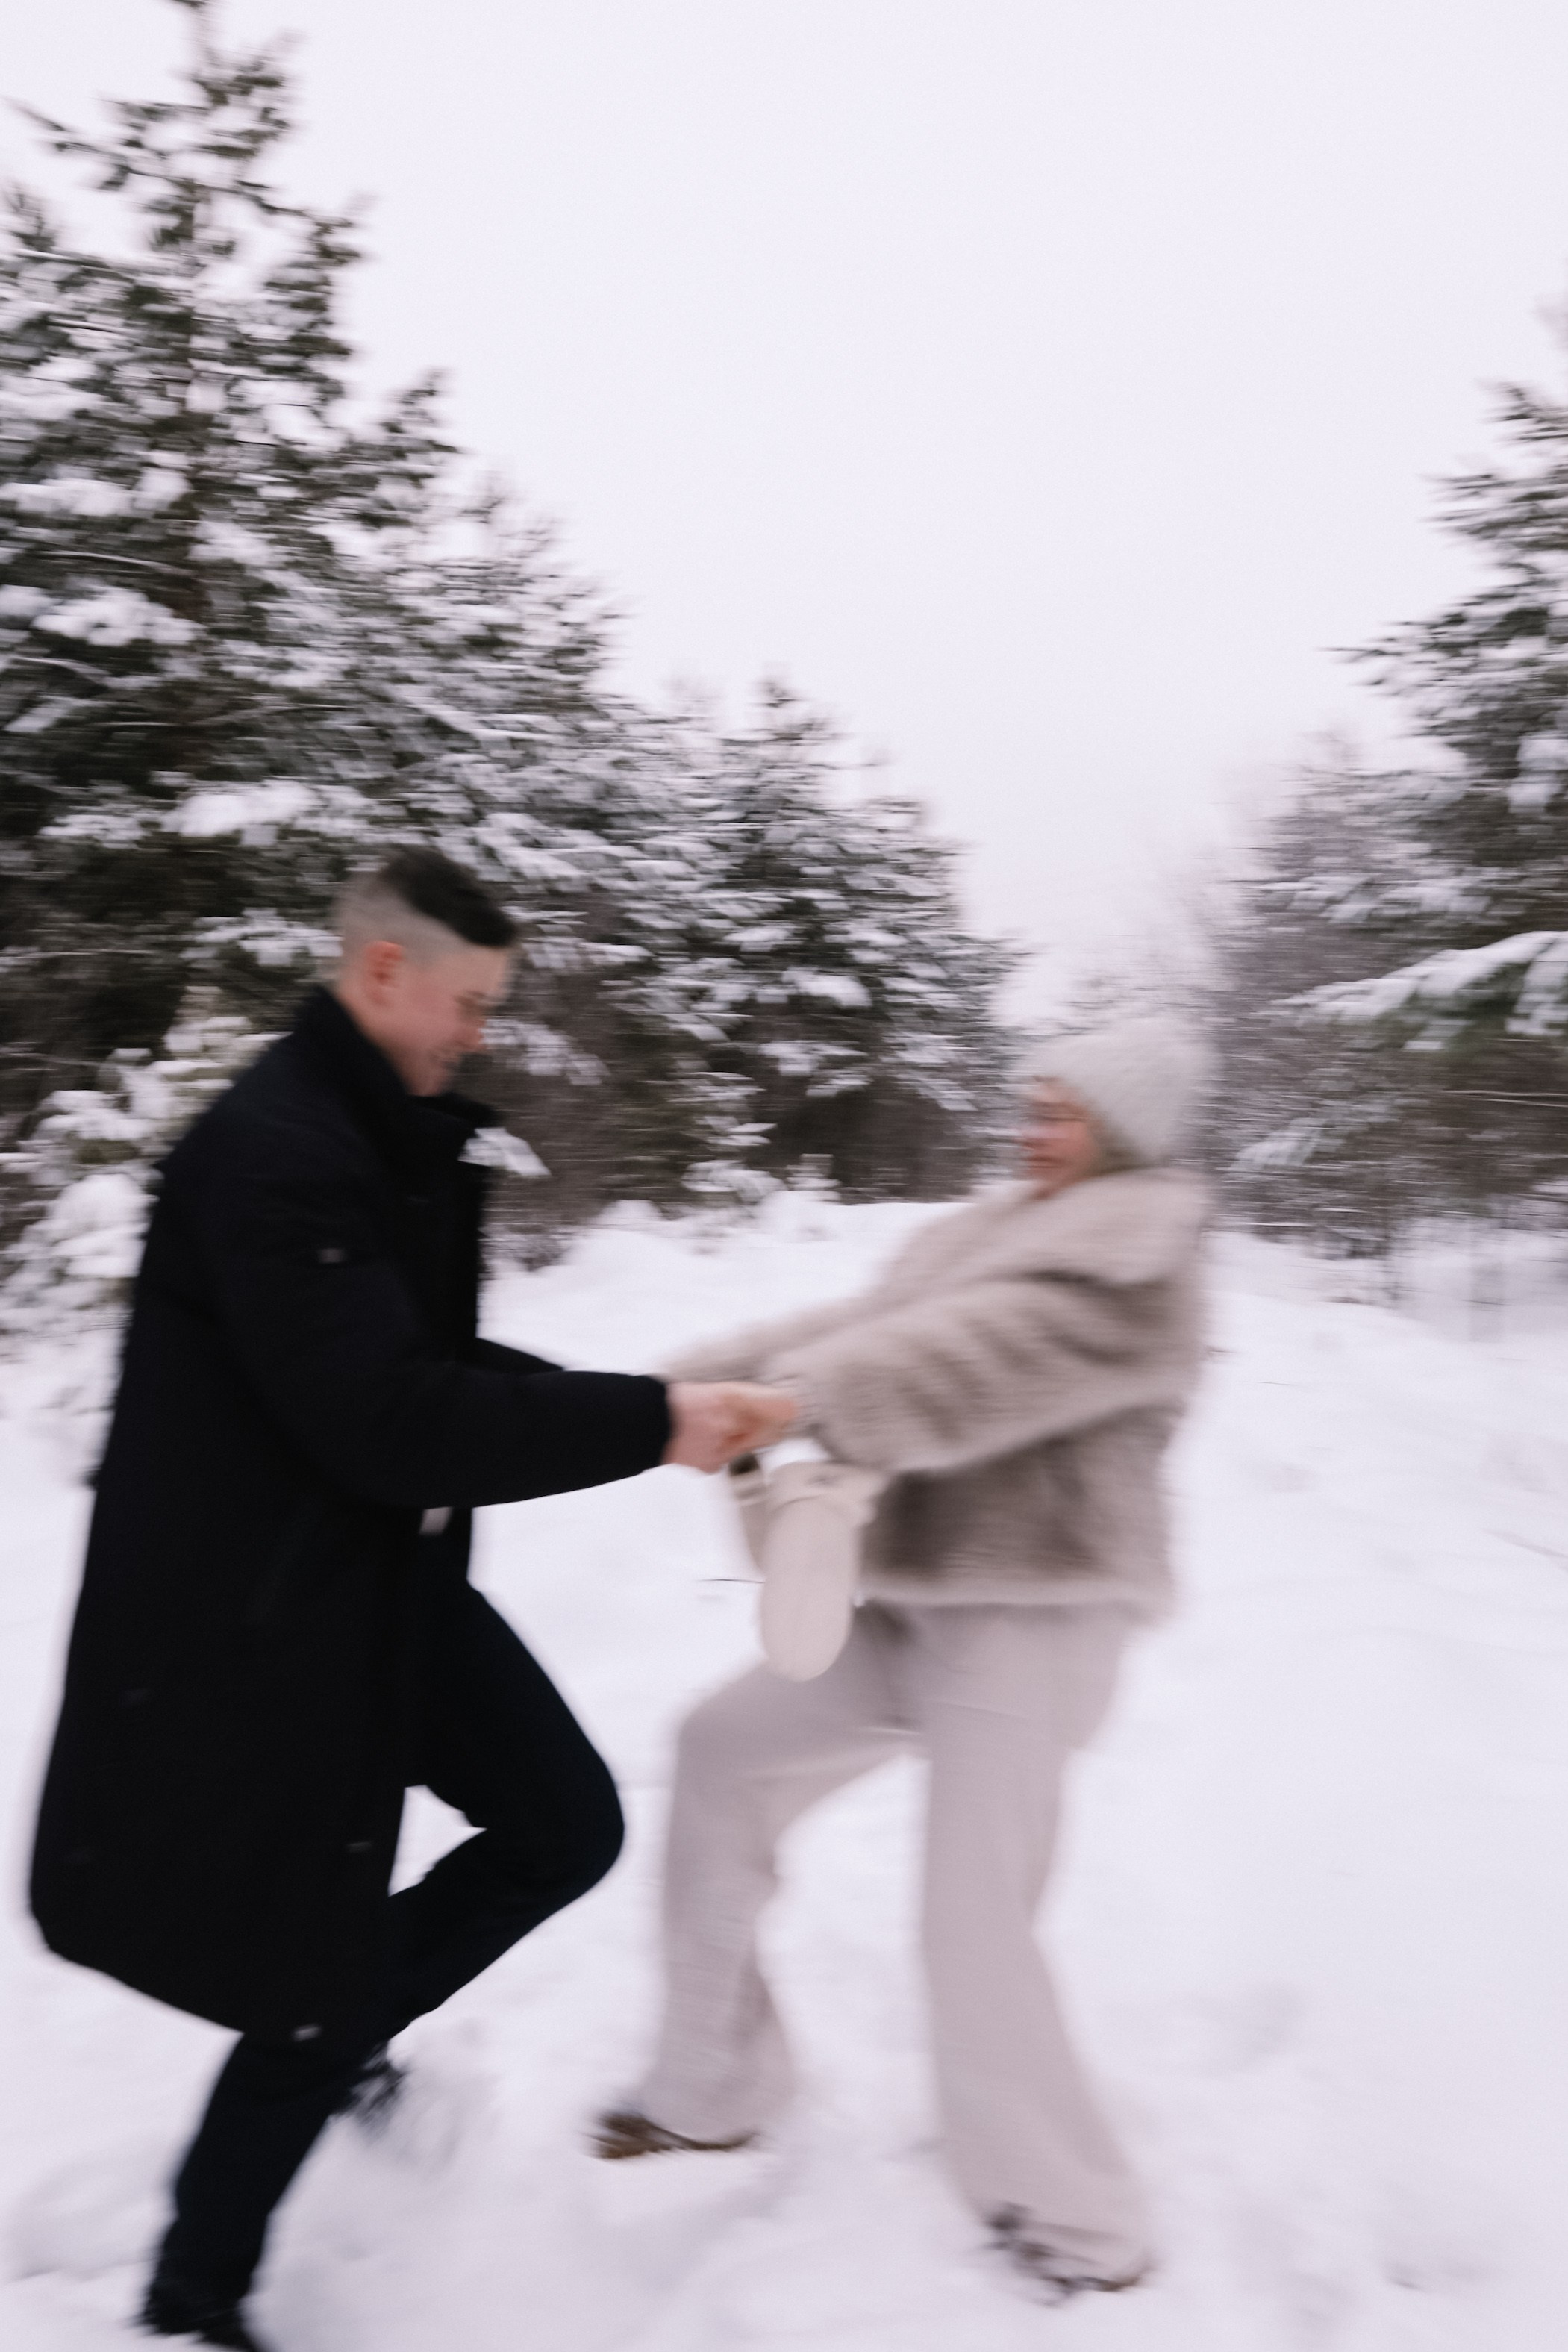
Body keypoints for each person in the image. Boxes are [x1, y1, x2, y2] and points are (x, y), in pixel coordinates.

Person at [28, 848, 795, 2352]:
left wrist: (647, 1407)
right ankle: (194, 2291)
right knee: (310, 1972)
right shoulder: (278, 1152)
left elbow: (410, 1371)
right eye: (471, 1002)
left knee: (562, 1824)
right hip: (261, 1618)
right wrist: (651, 1426)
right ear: (386, 971)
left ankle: (343, 2029)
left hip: (369, 1581)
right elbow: (386, 1418)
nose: (480, 1033)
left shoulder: (366, 1130)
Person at [595, 1017, 1209, 2305]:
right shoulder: (993, 1229)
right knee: (719, 1754)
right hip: (911, 1602)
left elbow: (964, 1365)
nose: (1030, 1129)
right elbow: (866, 1321)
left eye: (1061, 1114)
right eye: (1032, 1103)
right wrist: (673, 1392)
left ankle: (1080, 2220)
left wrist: (795, 1404)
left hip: (1031, 1624)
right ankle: (714, 2084)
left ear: (1123, 1136)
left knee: (971, 1920)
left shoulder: (1138, 1269)